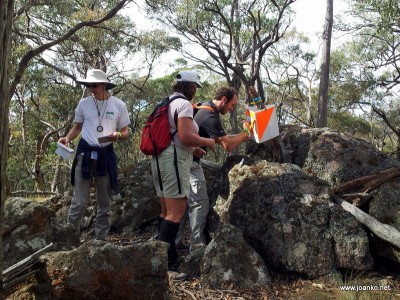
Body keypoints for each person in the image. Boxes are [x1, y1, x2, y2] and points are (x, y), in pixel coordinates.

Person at [153, 70, 215, 277]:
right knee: (176, 211)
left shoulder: (164, 103)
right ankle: (163, 267)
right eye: (195, 87)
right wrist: (207, 142)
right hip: (174, 159)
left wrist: (193, 149)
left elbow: (175, 135)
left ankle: (168, 258)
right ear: (188, 86)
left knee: (165, 211)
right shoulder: (184, 104)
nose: (195, 91)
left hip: (159, 157)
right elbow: (186, 136)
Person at [58, 69, 130, 241]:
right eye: (88, 85)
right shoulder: (84, 103)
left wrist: (118, 135)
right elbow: (78, 127)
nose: (91, 88)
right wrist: (67, 138)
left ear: (104, 85)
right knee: (79, 200)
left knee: (104, 201)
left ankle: (100, 240)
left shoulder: (118, 105)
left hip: (105, 155)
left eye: (94, 85)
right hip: (85, 154)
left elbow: (126, 131)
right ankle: (70, 239)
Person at [176, 86, 251, 249]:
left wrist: (241, 137)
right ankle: (196, 246)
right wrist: (245, 132)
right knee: (200, 203)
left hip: (181, 160)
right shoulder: (210, 115)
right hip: (191, 163)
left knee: (183, 202)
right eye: (232, 104)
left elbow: (221, 138)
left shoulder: (204, 107)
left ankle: (175, 243)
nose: (232, 109)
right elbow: (228, 146)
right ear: (224, 99)